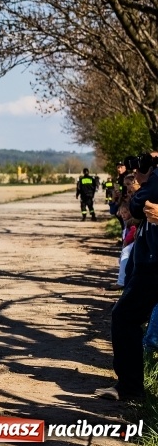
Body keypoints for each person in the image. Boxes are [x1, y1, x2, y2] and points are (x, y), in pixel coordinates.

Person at [96, 152, 158, 401]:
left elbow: (135, 205)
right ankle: (130, 387)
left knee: (124, 317)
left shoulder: (155, 180)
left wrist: (148, 174)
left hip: (154, 266)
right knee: (126, 317)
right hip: (149, 263)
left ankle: (131, 388)